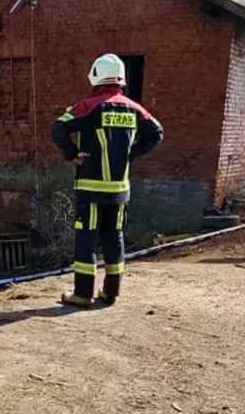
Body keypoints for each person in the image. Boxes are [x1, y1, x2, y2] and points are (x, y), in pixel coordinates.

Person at [50, 53, 164, 308]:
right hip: (119, 189)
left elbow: (57, 129)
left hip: (90, 187)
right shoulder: (134, 109)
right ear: (121, 80)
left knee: (86, 238)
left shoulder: (88, 106)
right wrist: (129, 155)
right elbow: (156, 132)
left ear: (95, 77)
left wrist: (72, 154)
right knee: (114, 236)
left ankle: (82, 294)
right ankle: (110, 292)